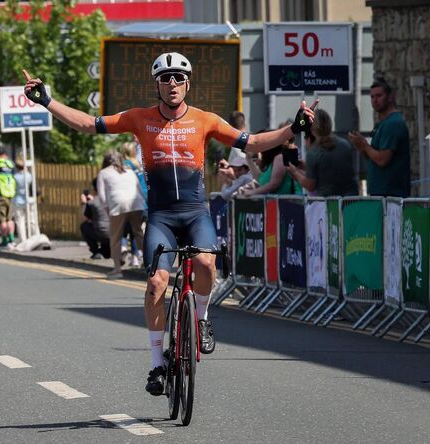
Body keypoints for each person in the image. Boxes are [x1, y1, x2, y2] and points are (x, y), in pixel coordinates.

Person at [22, 52, 316, 395]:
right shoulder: (138, 118)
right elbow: (89, 124)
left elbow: (252, 142)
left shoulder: (205, 120)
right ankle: (156, 363)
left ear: (188, 83)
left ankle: (202, 320)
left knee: (206, 261)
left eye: (179, 77)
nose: (172, 83)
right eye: (165, 78)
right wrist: (48, 102)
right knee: (157, 282)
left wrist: (292, 129)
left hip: (195, 212)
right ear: (157, 85)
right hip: (161, 215)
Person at [348, 78, 411, 197]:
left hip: (391, 194)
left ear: (390, 97)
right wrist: (360, 145)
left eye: (379, 96)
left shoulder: (393, 124)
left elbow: (383, 159)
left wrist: (365, 145)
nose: (375, 100)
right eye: (372, 97)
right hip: (380, 192)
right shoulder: (381, 124)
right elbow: (373, 157)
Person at [286, 109, 359, 196]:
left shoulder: (314, 152)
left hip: (330, 204)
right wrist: (307, 167)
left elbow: (310, 186)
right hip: (351, 200)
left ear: (312, 129)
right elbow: (332, 169)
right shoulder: (345, 145)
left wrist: (294, 172)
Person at [97, 151, 145, 279]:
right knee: (139, 233)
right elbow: (139, 188)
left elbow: (102, 196)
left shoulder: (103, 173)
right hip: (136, 202)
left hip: (118, 204)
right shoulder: (129, 170)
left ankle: (117, 269)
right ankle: (149, 264)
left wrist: (107, 210)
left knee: (115, 238)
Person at [80, 177, 111, 259]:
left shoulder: (92, 202)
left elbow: (85, 218)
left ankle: (96, 251)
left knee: (84, 226)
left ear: (94, 188)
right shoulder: (113, 199)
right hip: (116, 235)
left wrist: (84, 203)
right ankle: (107, 251)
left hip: (102, 234)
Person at [12, 158, 38, 243]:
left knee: (20, 222)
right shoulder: (29, 176)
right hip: (29, 200)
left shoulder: (15, 177)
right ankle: (35, 238)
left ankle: (23, 241)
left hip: (18, 201)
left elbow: (13, 189)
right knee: (31, 220)